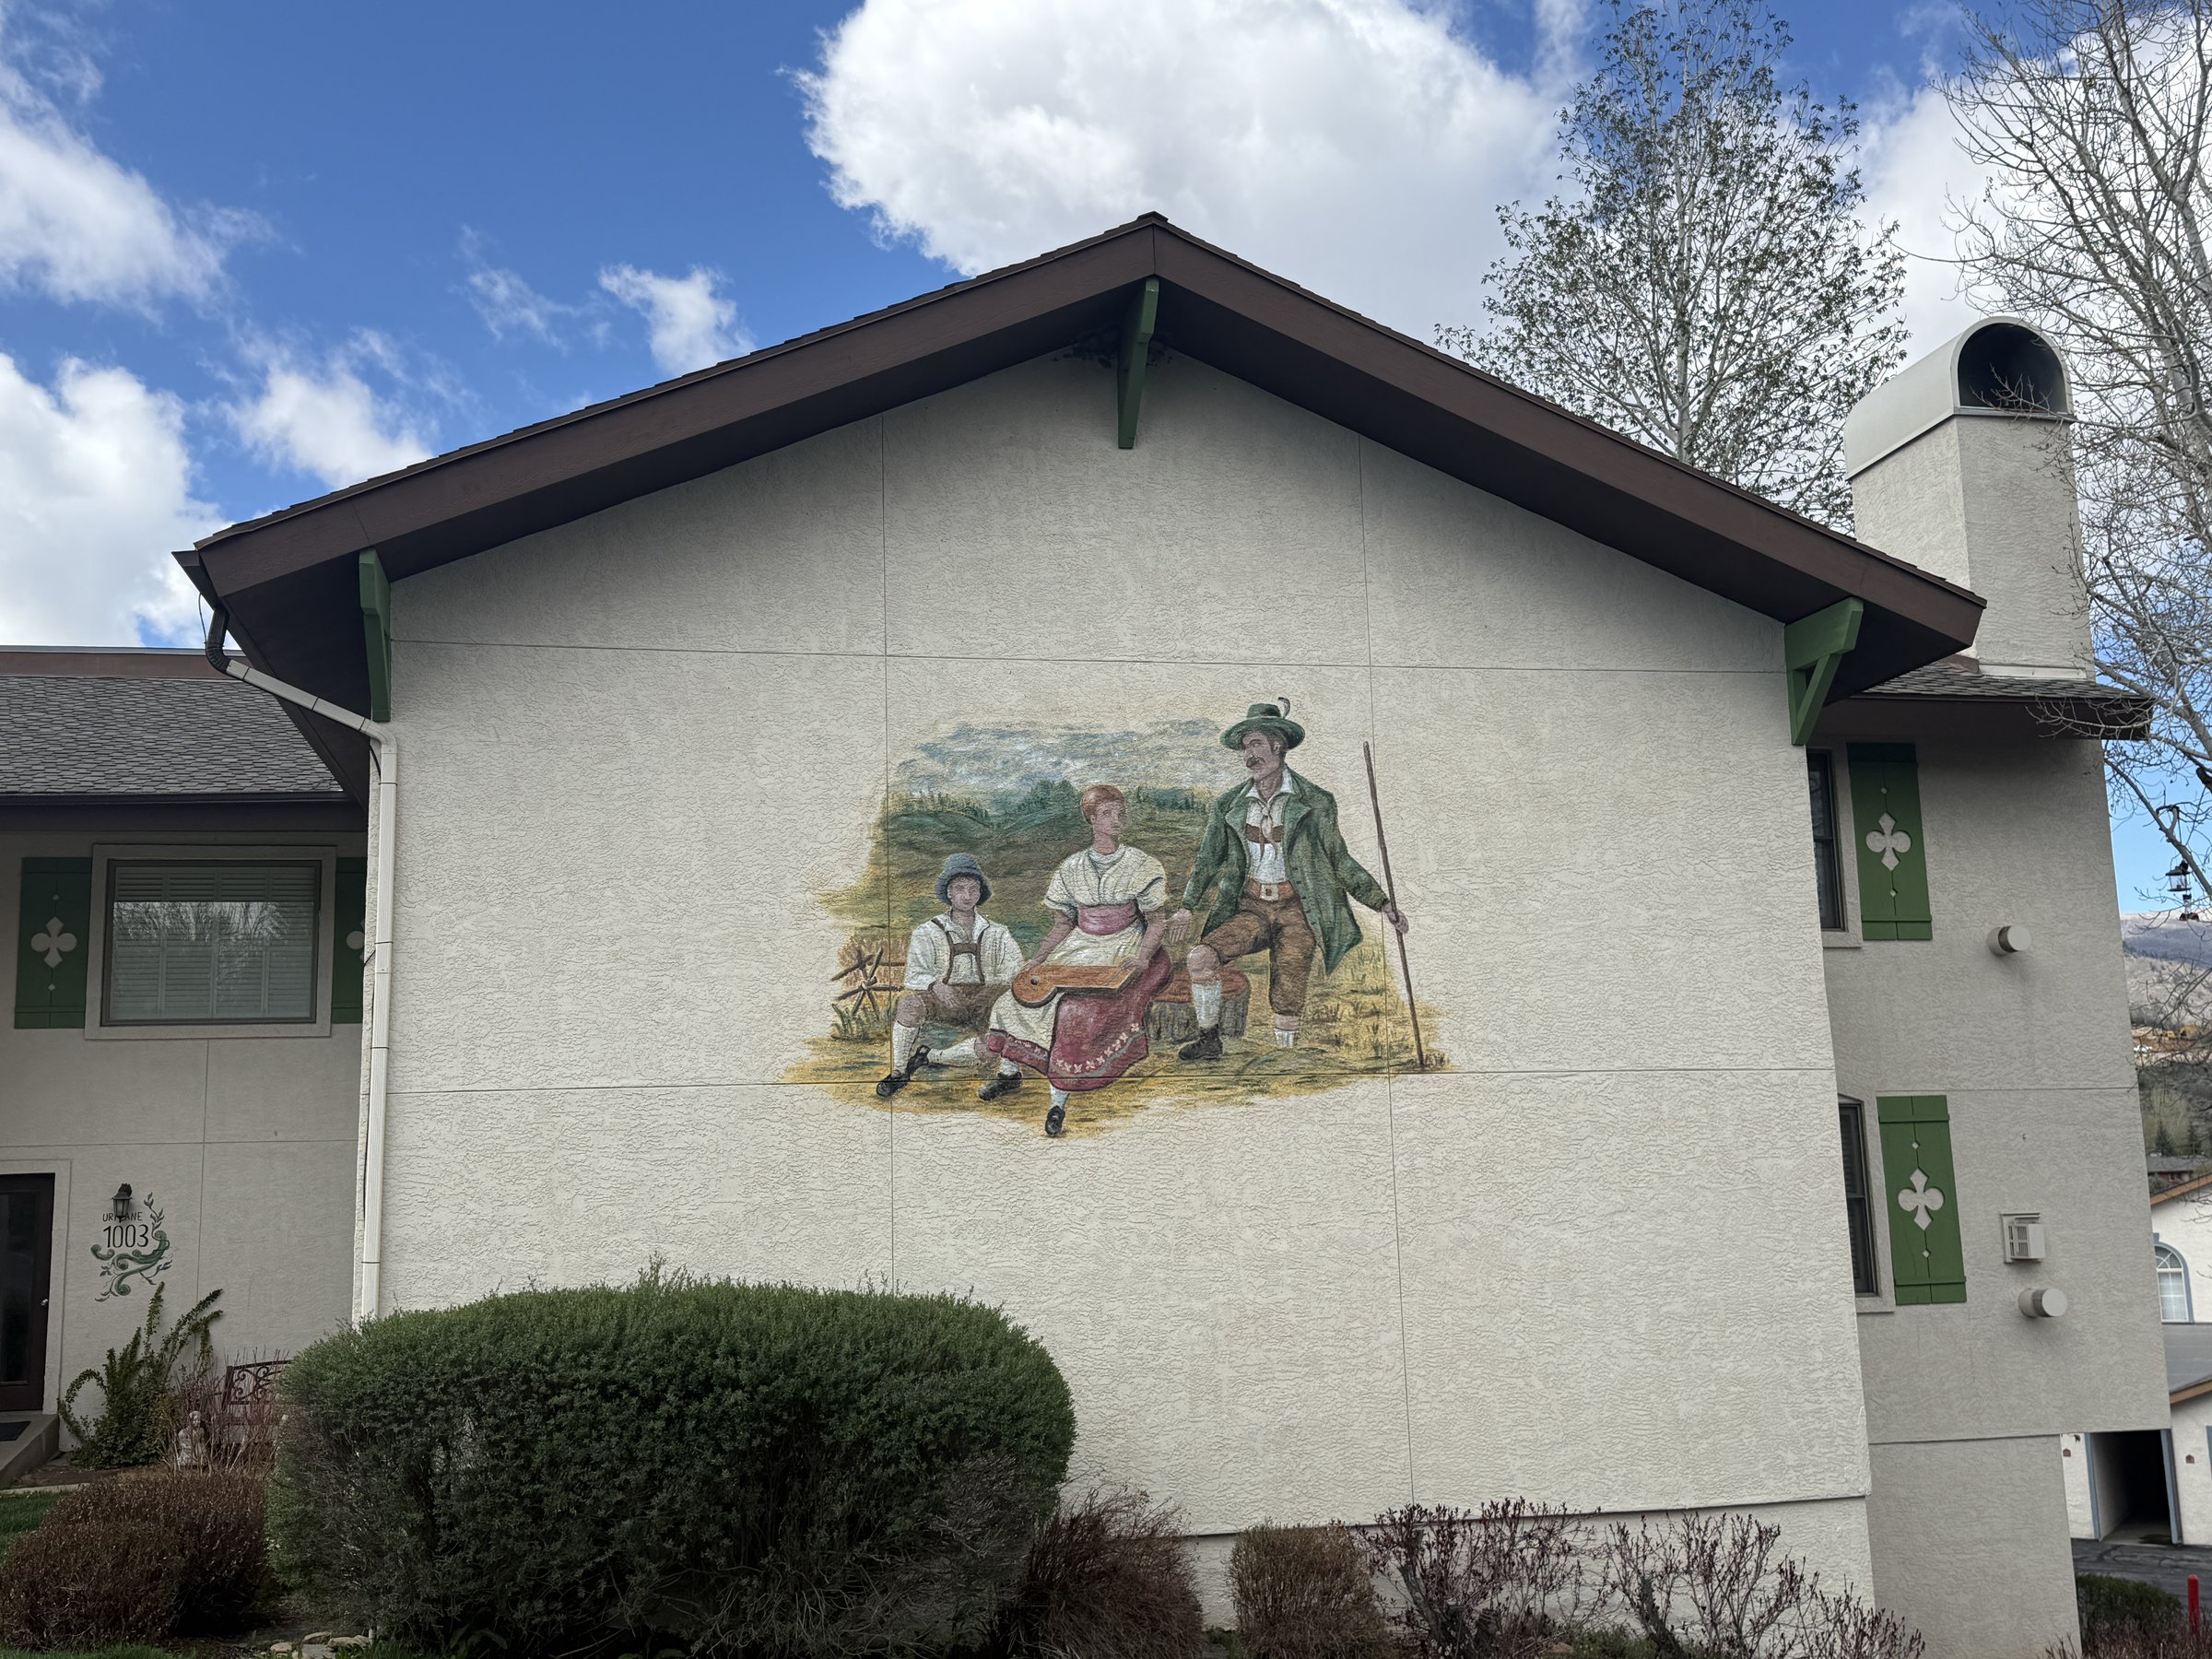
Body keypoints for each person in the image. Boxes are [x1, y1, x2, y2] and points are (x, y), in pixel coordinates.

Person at [1168, 701, 1408, 1056]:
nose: (1249, 755)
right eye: (1245, 747)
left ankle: (1286, 1058)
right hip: (1251, 907)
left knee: (1288, 990)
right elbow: (1208, 860)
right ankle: (1209, 1040)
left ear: (1278, 746)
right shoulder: (1229, 805)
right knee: (1201, 957)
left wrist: (1382, 902)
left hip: (1299, 909)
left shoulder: (1316, 802)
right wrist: (1188, 906)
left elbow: (1339, 860)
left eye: (1256, 745)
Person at [983, 784, 1174, 1137]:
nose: (1116, 820)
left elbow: (1157, 921)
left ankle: (1058, 1104)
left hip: (1123, 944)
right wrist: (1038, 958)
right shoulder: (1072, 867)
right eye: (1106, 814)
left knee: (1076, 1012)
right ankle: (1009, 1075)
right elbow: (1063, 923)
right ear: (1091, 819)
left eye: (1120, 812)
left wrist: (1143, 956)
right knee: (1017, 999)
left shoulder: (1141, 864)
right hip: (1079, 944)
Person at [877, 853, 1025, 1099]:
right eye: (960, 889)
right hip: (944, 999)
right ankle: (898, 1072)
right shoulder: (927, 931)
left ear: (980, 893)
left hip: (984, 1001)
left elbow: (1013, 970)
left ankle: (929, 1056)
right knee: (909, 1004)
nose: (967, 896)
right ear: (949, 893)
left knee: (991, 1048)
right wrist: (936, 986)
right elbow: (914, 974)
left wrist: (992, 992)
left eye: (973, 889)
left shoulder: (997, 933)